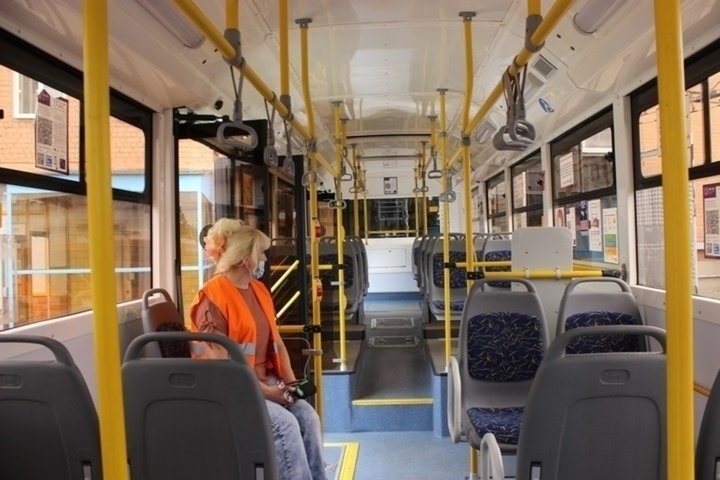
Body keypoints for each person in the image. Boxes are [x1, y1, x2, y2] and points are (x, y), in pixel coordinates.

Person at [189, 218, 327, 480]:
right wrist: (268, 392)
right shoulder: (211, 298)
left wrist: (291, 385)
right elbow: (224, 368)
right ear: (246, 259)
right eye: (261, 253)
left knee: (308, 417)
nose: (265, 258)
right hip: (231, 389)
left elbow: (276, 342)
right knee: (285, 425)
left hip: (264, 382)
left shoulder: (259, 290)